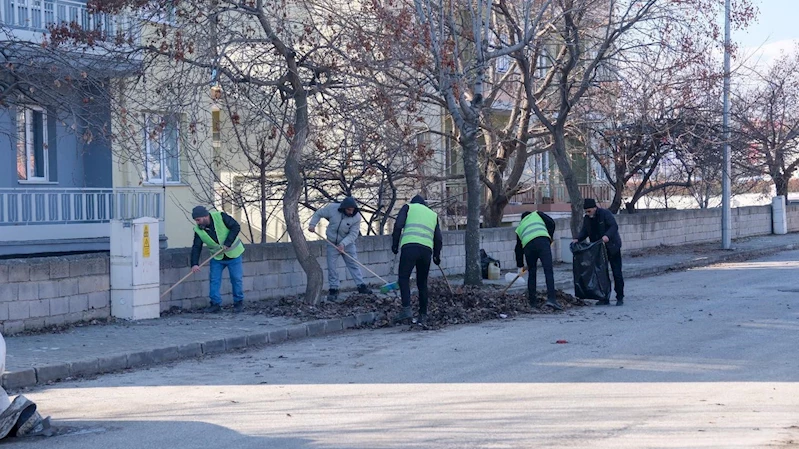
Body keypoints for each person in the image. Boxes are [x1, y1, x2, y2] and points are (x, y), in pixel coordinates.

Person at [391, 194, 443, 325]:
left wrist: (395, 245)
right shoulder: (433, 214)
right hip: (426, 251)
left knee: (403, 278)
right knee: (422, 283)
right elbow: (438, 238)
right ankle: (423, 315)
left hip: (409, 247)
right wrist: (437, 255)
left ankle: (406, 309)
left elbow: (398, 226)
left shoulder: (408, 207)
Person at [308, 196, 370, 301]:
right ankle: (334, 289)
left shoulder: (357, 217)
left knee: (353, 264)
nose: (351, 212)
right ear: (343, 208)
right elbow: (319, 213)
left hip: (348, 244)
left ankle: (361, 286)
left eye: (353, 210)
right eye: (349, 210)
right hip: (332, 242)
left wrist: (343, 244)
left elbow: (353, 234)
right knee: (332, 267)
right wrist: (312, 224)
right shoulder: (332, 209)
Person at [191, 205, 246, 313]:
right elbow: (196, 247)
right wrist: (194, 264)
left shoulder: (220, 216)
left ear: (205, 216)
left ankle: (238, 303)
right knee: (214, 280)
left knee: (236, 279)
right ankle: (215, 304)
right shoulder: (198, 230)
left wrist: (228, 243)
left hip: (234, 254)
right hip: (217, 257)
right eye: (196, 220)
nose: (197, 222)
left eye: (198, 220)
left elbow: (235, 227)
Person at [573, 198, 624, 306]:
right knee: (601, 274)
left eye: (589, 211)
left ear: (595, 208)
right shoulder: (587, 219)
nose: (587, 213)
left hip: (612, 247)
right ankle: (604, 297)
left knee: (616, 272)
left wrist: (607, 236)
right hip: (598, 250)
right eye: (586, 212)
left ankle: (620, 296)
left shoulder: (605, 214)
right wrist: (578, 239)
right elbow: (585, 231)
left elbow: (613, 226)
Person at [514, 210, 561, 310]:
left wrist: (520, 266)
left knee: (532, 273)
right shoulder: (537, 214)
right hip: (543, 242)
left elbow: (518, 249)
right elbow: (551, 223)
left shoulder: (520, 227)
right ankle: (551, 299)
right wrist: (550, 238)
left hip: (528, 246)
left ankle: (532, 302)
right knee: (548, 271)